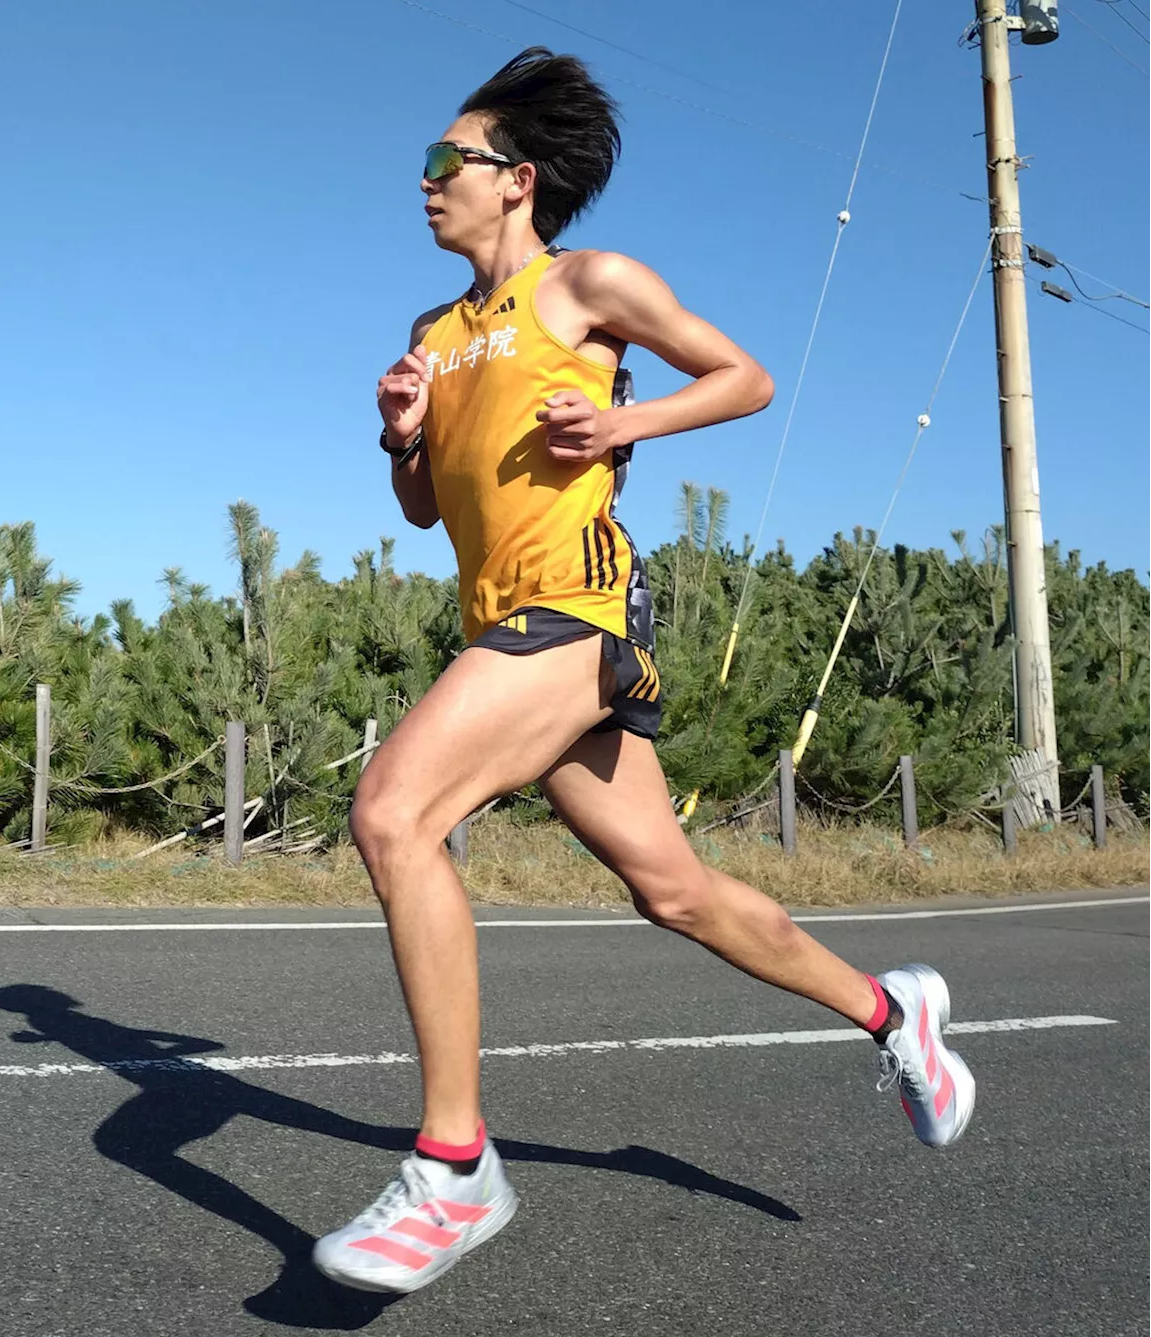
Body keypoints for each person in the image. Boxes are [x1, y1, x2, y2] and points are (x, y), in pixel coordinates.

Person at [313, 47, 975, 1295]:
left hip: (577, 610)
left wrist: (624, 422)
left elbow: (745, 377)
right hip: (501, 624)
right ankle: (895, 1015)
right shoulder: (432, 331)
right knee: (671, 888)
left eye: (440, 162)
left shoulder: (589, 284)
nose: (423, 183)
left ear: (513, 179)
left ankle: (454, 1165)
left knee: (394, 810)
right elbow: (418, 507)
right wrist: (397, 432)